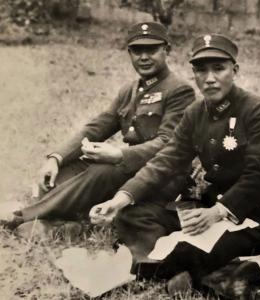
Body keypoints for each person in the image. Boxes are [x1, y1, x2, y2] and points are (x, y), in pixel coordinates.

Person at [88, 34, 260, 295]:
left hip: (257, 215)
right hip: (209, 209)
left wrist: (217, 212)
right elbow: (166, 160)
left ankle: (162, 266)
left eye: (219, 69)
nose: (209, 78)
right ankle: (176, 267)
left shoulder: (258, 111)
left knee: (191, 249)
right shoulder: (195, 113)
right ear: (193, 74)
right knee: (132, 215)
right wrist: (119, 199)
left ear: (235, 70)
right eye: (201, 70)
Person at [8, 22, 195, 233]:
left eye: (151, 50)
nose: (144, 57)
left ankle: (21, 217)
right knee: (64, 173)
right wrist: (56, 158)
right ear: (129, 53)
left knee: (101, 172)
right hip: (127, 169)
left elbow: (167, 144)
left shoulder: (179, 90)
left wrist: (119, 154)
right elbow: (98, 126)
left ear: (167, 50)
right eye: (137, 51)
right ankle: (68, 224)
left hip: (161, 175)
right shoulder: (130, 90)